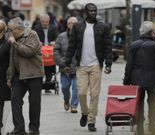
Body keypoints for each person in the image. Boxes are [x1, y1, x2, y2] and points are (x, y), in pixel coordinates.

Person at [65, 3, 112, 132]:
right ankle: (85, 112)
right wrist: (67, 63)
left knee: (95, 95)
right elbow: (71, 46)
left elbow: (108, 47)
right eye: (90, 11)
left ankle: (91, 121)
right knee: (81, 93)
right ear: (85, 12)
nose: (93, 13)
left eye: (95, 11)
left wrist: (108, 64)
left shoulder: (103, 27)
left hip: (96, 65)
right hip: (82, 66)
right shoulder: (78, 26)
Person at [123, 21, 155, 135]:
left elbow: (129, 65)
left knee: (139, 104)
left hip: (136, 80)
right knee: (152, 103)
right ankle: (152, 126)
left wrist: (126, 82)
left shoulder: (134, 45)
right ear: (152, 32)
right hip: (153, 80)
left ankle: (140, 128)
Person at [7, 17, 44, 135]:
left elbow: (28, 52)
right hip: (18, 75)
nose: (10, 33)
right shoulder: (15, 38)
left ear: (18, 29)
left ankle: (34, 129)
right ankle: (19, 128)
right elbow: (12, 60)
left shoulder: (32, 35)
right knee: (15, 100)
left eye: (11, 30)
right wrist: (10, 77)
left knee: (34, 102)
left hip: (33, 75)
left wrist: (14, 43)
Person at [54, 17, 78, 113]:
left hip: (78, 67)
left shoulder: (81, 36)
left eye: (75, 23)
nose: (74, 25)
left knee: (77, 87)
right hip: (65, 67)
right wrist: (62, 63)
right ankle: (66, 100)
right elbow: (56, 51)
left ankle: (74, 105)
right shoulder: (61, 36)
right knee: (64, 87)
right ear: (68, 25)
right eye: (71, 23)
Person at [33, 14, 59, 93]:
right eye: (43, 22)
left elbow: (57, 37)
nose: (45, 24)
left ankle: (47, 85)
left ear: (49, 22)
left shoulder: (53, 28)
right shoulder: (36, 28)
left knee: (50, 67)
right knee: (41, 68)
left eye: (46, 22)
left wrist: (54, 41)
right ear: (40, 22)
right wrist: (38, 42)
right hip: (40, 51)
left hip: (50, 51)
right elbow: (33, 38)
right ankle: (40, 84)